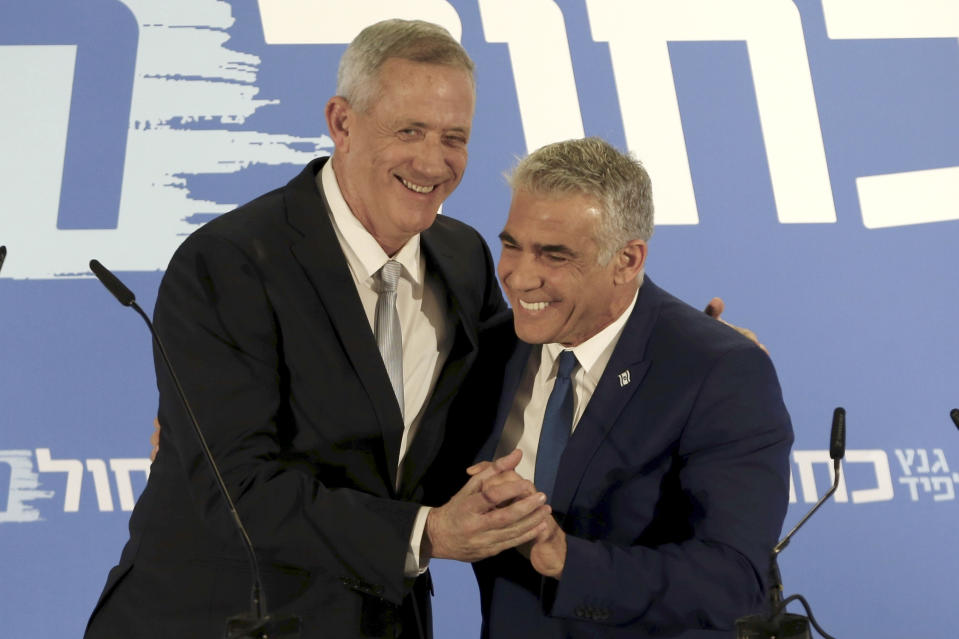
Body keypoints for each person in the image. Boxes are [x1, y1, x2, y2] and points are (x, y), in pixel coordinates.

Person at [85, 19, 552, 639]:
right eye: (408, 130)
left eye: (453, 138)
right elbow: (239, 488)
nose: (433, 162)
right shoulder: (229, 262)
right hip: (225, 617)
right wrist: (426, 534)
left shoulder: (462, 257)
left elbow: (516, 384)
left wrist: (676, 351)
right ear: (342, 122)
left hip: (381, 621)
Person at [454, 137, 793, 638]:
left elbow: (732, 580)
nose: (520, 277)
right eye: (512, 244)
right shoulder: (489, 350)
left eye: (554, 256)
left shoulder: (720, 371)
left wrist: (567, 558)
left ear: (628, 261)